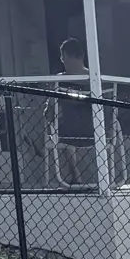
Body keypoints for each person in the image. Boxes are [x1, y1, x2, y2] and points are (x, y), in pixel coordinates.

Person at [53, 34, 96, 182]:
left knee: (59, 122)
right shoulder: (95, 79)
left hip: (69, 133)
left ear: (64, 57)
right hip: (97, 129)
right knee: (66, 121)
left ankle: (75, 173)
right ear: (82, 55)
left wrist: (48, 112)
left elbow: (51, 109)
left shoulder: (60, 80)